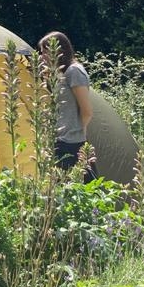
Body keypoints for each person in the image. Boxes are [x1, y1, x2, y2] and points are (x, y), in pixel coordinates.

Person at [38, 31, 95, 179]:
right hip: (59, 140)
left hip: (72, 143)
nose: (41, 56)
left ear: (58, 51)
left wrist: (75, 131)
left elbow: (87, 111)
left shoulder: (74, 71)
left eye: (45, 52)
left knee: (80, 190)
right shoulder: (60, 74)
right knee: (60, 191)